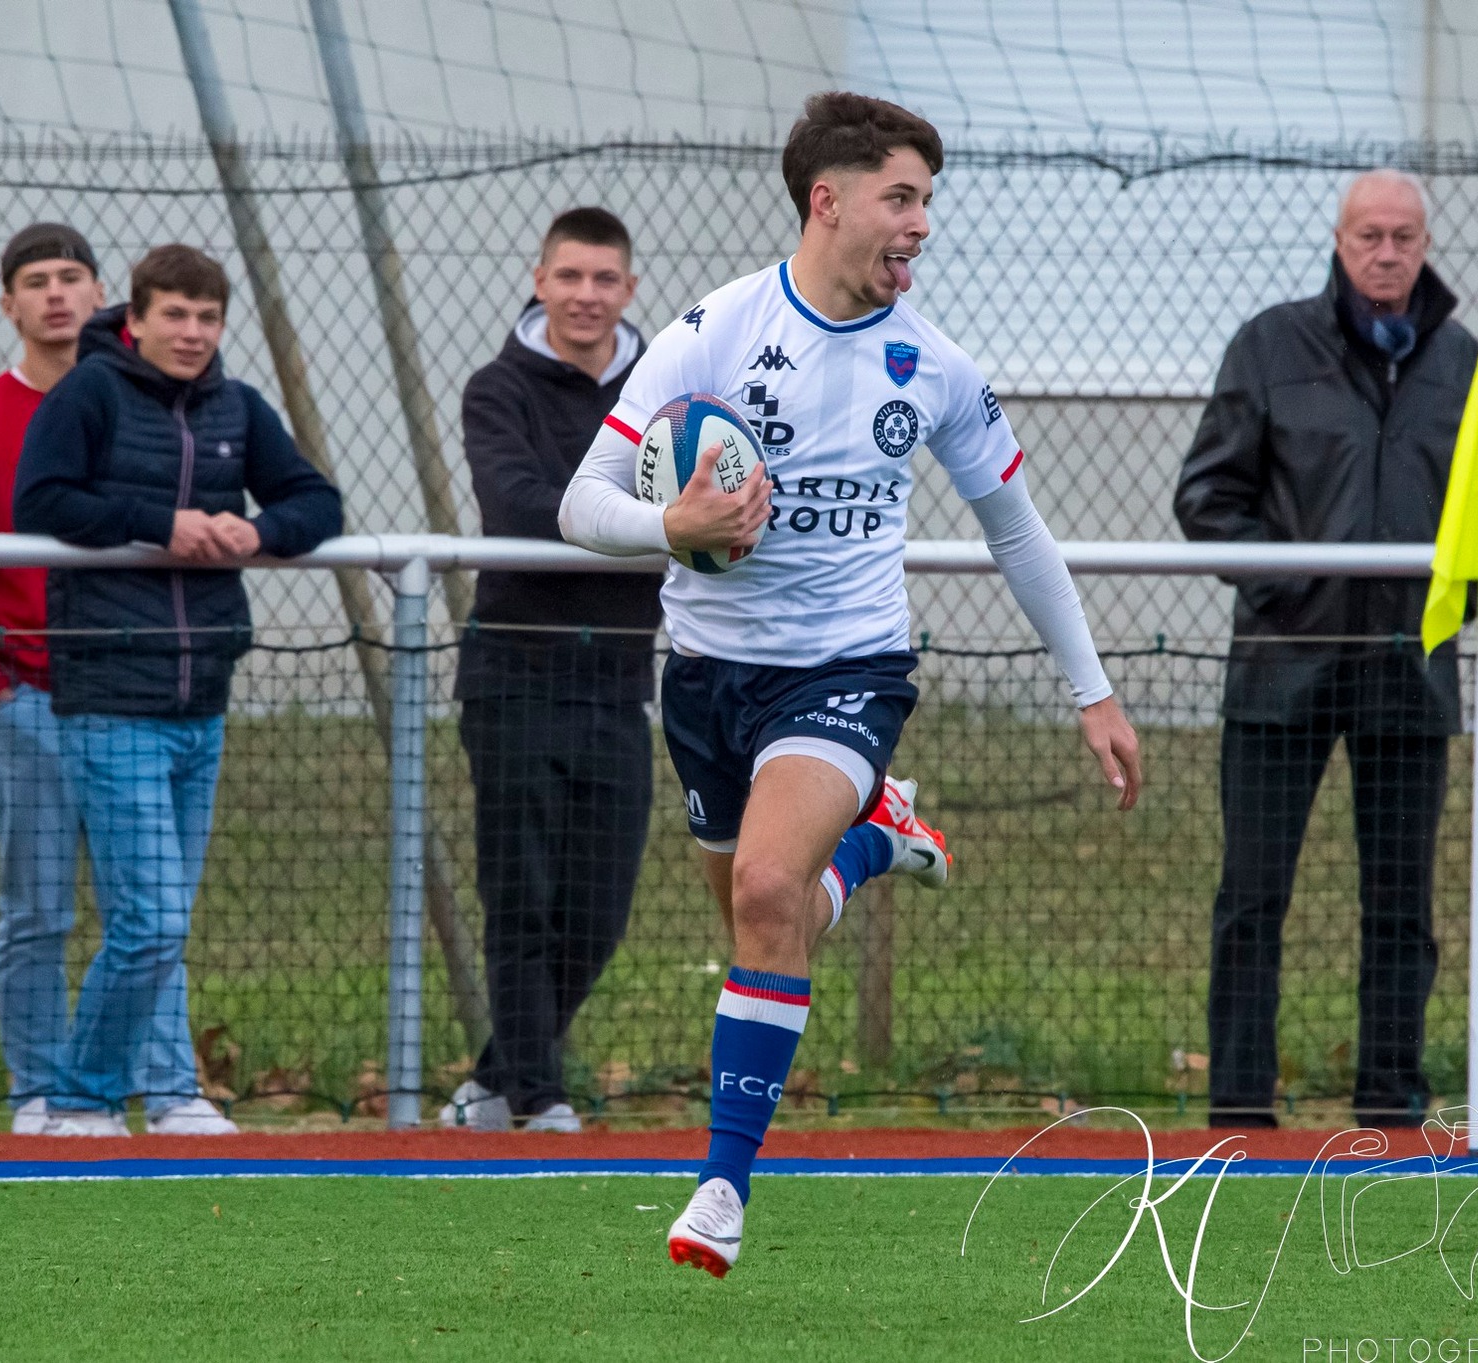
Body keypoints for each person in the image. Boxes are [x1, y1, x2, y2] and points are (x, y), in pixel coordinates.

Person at [560, 91, 1141, 1276]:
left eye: (925, 200)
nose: (920, 223)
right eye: (901, 197)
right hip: (708, 678)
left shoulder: (929, 364)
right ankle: (875, 843)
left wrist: (1091, 690)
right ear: (827, 201)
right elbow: (579, 503)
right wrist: (670, 523)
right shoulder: (710, 332)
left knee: (769, 887)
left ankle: (720, 1188)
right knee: (755, 913)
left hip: (846, 670)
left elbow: (1016, 531)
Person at [1175, 170, 1478, 1130]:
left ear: (1424, 244)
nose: (1386, 252)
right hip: (1281, 674)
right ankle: (1240, 1111)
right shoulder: (1269, 346)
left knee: (1402, 909)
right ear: (1339, 241)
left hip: (1410, 681)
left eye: (1402, 236)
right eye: (1369, 234)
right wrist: (1299, 591)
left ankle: (1391, 1106)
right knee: (1252, 899)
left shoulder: (1463, 360)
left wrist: (1452, 594)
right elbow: (1208, 500)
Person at [13, 244, 342, 1135]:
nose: (192, 333)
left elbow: (317, 501)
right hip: (111, 695)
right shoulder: (89, 392)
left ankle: (167, 1094)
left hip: (203, 703)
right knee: (149, 920)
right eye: (175, 315)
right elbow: (40, 503)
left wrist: (257, 529)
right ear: (137, 318)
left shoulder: (238, 406)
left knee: (160, 921)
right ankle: (79, 1097)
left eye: (208, 318)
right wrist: (160, 524)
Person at [0, 223, 186, 1136]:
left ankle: (163, 1085)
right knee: (39, 907)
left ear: (105, 294)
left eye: (73, 277)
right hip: (26, 701)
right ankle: (37, 1086)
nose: (57, 294)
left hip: (130, 694)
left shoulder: (148, 416)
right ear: (9, 303)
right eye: (37, 280)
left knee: (148, 907)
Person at [440, 208, 664, 1134]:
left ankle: (494, 1080)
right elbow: (518, 509)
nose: (585, 296)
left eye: (603, 279)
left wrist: (669, 524)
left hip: (620, 681)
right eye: (569, 277)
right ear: (540, 281)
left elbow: (706, 499)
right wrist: (654, 528)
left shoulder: (667, 394)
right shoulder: (497, 390)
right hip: (514, 671)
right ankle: (540, 1097)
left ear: (629, 290)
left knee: (598, 909)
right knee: (522, 893)